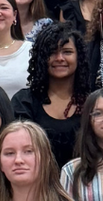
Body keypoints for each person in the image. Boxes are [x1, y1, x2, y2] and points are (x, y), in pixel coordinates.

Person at [11, 21, 90, 169]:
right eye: (52, 52)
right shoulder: (23, 102)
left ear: (79, 58)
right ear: (41, 58)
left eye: (67, 52)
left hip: (83, 184)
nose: (59, 58)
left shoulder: (92, 102)